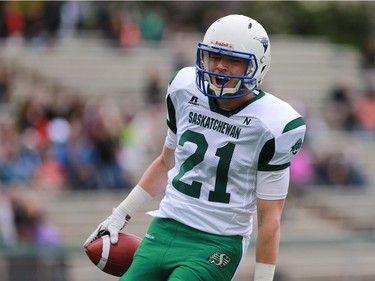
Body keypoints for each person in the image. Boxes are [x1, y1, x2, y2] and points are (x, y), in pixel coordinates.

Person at [84, 14, 306, 281]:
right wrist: (120, 214)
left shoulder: (275, 123)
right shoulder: (184, 88)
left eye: (233, 60)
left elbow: (270, 219)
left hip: (217, 241)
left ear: (256, 67)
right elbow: (166, 162)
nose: (220, 66)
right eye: (215, 57)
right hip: (165, 227)